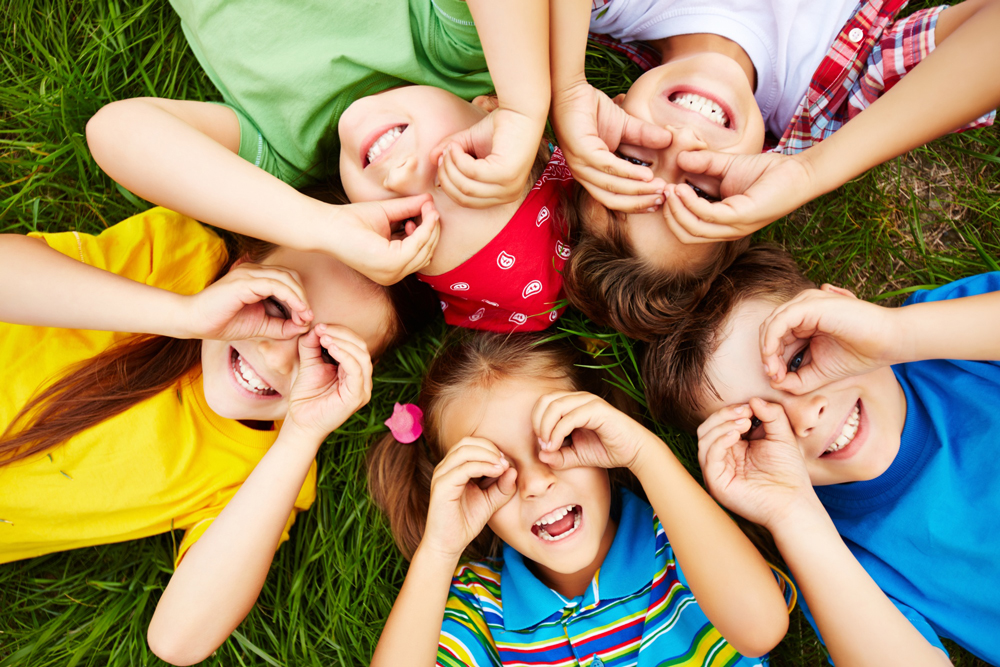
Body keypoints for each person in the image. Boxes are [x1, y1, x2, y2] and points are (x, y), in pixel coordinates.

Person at [0, 206, 435, 666]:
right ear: (241, 267)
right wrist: (186, 315)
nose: (277, 356)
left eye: (325, 355)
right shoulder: (172, 259)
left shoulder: (267, 471)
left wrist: (301, 435)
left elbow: (177, 640)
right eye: (277, 306)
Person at [86, 0, 576, 332]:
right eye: (464, 164)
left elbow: (117, 131)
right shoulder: (457, 49)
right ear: (488, 109)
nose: (403, 176)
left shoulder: (285, 158)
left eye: (405, 222)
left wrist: (321, 225)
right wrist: (525, 104)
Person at [549, 0, 999, 340]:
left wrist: (565, 85)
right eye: (702, 191)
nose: (683, 143)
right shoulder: (836, 100)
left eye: (632, 163)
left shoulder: (610, 9)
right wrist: (809, 171)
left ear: (607, 117)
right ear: (752, 181)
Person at [641, 244, 1000, 665]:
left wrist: (896, 334)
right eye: (756, 424)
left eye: (798, 360)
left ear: (842, 311)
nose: (805, 416)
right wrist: (793, 516)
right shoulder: (832, 554)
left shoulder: (947, 339)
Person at [366, 332, 791, 666]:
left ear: (601, 428)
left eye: (559, 440)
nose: (535, 483)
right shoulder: (481, 607)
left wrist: (645, 454)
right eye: (491, 472)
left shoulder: (683, 540)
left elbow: (763, 629)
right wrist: (439, 549)